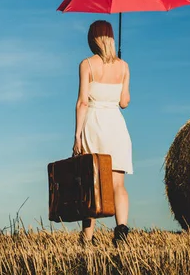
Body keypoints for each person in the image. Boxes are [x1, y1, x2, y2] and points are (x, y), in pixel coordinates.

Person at [73, 20, 133, 247]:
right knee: (118, 184)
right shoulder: (124, 66)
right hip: (116, 126)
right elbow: (124, 102)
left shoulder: (87, 65)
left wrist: (77, 136)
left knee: (92, 184)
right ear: (110, 38)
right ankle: (121, 232)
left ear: (92, 39)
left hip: (94, 125)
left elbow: (82, 103)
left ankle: (87, 239)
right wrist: (120, 73)